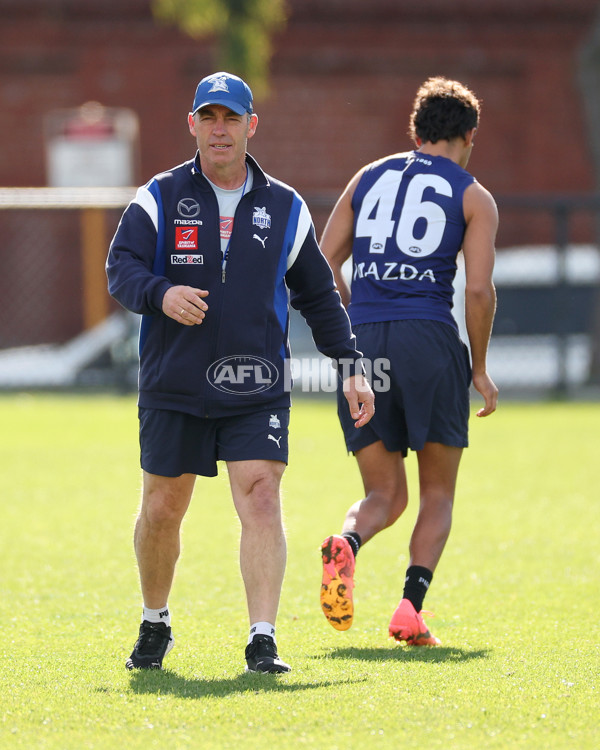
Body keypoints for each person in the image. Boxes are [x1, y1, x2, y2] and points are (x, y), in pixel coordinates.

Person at [106, 71, 374, 673]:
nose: (220, 130)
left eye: (232, 118)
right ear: (193, 124)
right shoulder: (160, 196)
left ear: (252, 125)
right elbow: (119, 267)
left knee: (261, 495)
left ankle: (262, 639)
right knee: (161, 509)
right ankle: (155, 622)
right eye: (209, 117)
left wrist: (352, 364)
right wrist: (160, 292)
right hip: (173, 384)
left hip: (256, 384)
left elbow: (319, 296)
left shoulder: (285, 207)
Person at [318, 76, 498, 645]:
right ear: (469, 135)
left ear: (415, 130)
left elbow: (322, 263)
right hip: (429, 341)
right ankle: (410, 609)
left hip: (364, 343)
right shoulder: (473, 195)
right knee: (436, 492)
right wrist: (478, 367)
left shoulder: (367, 179)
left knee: (383, 495)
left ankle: (346, 543)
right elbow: (476, 291)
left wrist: (358, 315)